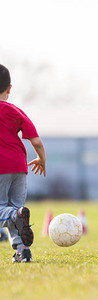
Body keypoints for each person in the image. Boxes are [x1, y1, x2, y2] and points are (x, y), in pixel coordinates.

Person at [0, 64, 46, 263]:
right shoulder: (15, 111)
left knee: (7, 210)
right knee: (18, 209)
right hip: (20, 165)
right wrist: (42, 160)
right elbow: (35, 140)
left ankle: (15, 215)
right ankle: (22, 252)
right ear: (9, 88)